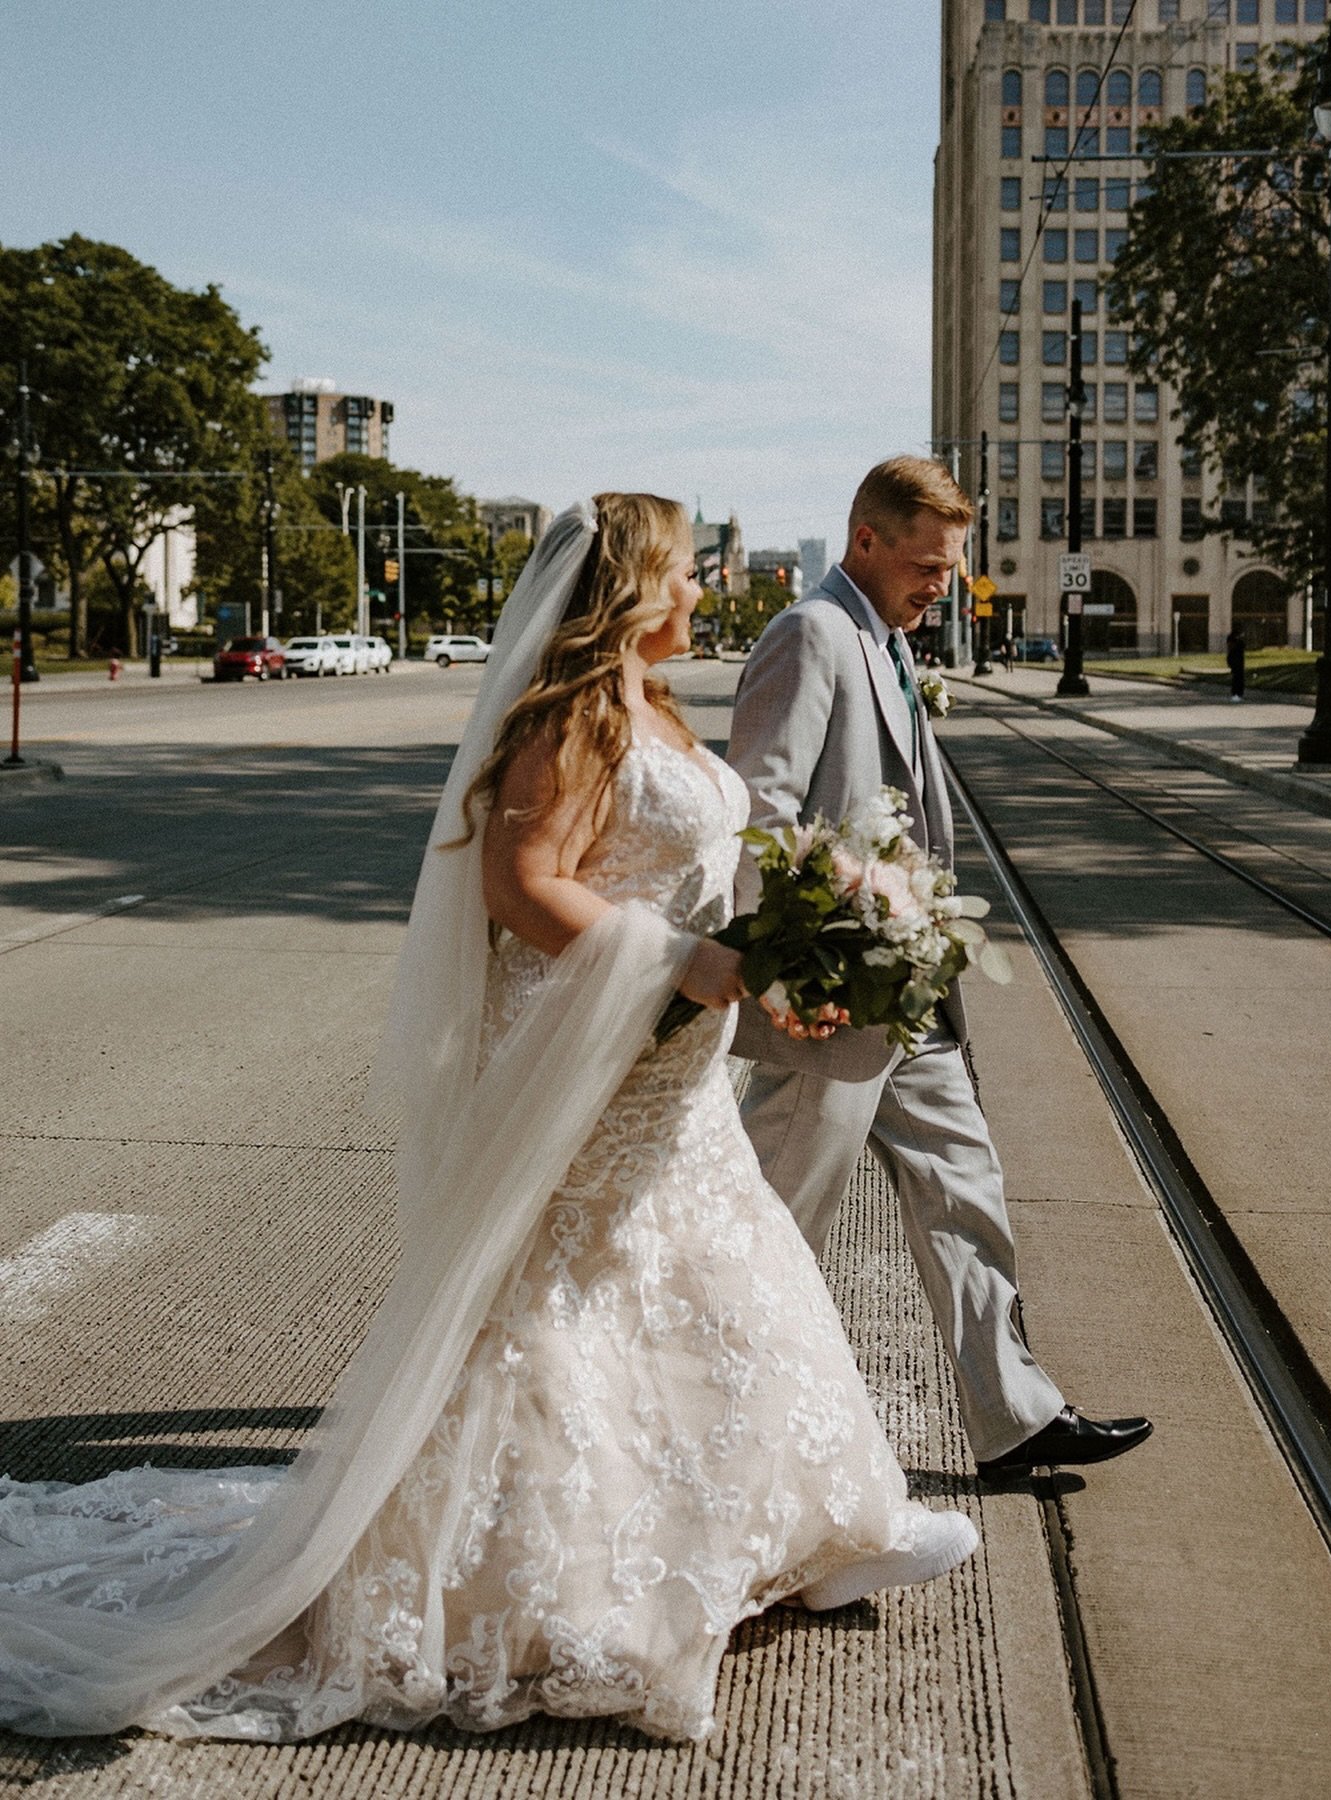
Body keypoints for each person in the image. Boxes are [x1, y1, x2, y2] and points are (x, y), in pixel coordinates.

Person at [0, 494, 975, 1746]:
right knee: (564, 1293)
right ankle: (547, 1579)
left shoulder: (654, 703)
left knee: (714, 1271)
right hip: (595, 1049)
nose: (699, 595)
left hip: (667, 1062)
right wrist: (683, 964)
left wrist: (802, 923)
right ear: (629, 589)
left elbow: (694, 856)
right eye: (684, 576)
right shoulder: (569, 719)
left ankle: (812, 1529)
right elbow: (522, 889)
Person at [727, 456, 1152, 1477]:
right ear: (864, 541)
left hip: (905, 995)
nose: (939, 586)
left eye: (950, 569)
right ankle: (698, 1408)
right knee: (771, 1226)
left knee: (965, 1188)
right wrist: (781, 976)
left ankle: (1014, 1414)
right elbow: (760, 818)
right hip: (828, 1002)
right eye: (925, 566)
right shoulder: (812, 634)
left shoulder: (886, 638)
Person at [1226, 626, 1246, 701]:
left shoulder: (1233, 640)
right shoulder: (1238, 642)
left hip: (1235, 660)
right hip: (1237, 661)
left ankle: (1236, 693)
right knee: (1238, 678)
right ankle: (1237, 693)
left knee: (1236, 677)